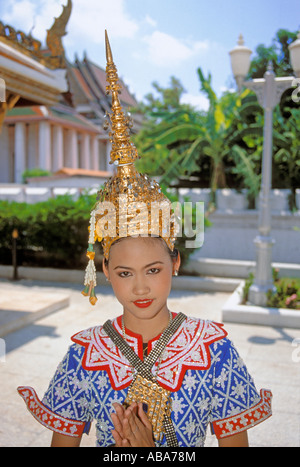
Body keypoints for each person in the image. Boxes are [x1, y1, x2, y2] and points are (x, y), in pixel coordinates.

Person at [17, 32, 272, 448]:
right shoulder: (86, 353)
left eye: (153, 269)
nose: (139, 287)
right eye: (124, 272)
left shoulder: (214, 350)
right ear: (104, 273)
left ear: (175, 262)